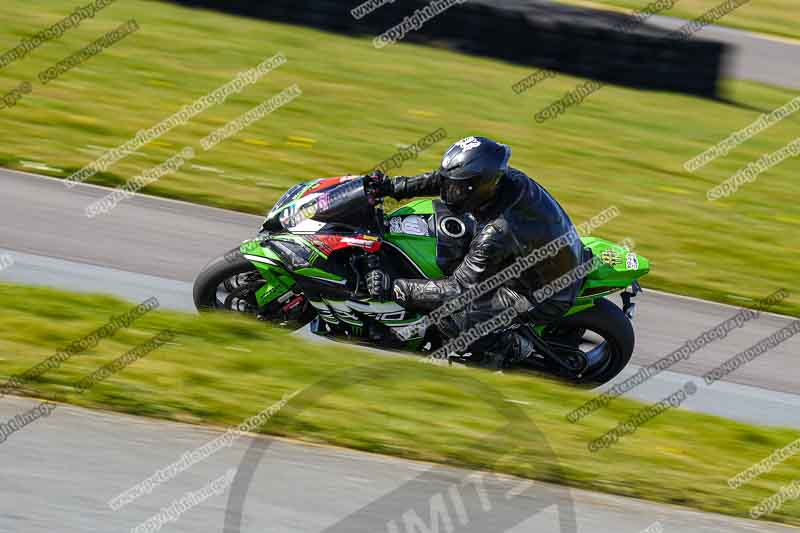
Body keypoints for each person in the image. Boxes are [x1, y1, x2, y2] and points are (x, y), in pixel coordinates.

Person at [363, 136, 585, 367]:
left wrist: (394, 288)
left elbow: (458, 290)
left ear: (479, 186)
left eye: (457, 189)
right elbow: (444, 180)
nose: (449, 193)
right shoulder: (498, 179)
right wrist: (392, 187)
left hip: (538, 292)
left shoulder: (497, 230)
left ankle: (508, 349)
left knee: (454, 318)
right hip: (533, 256)